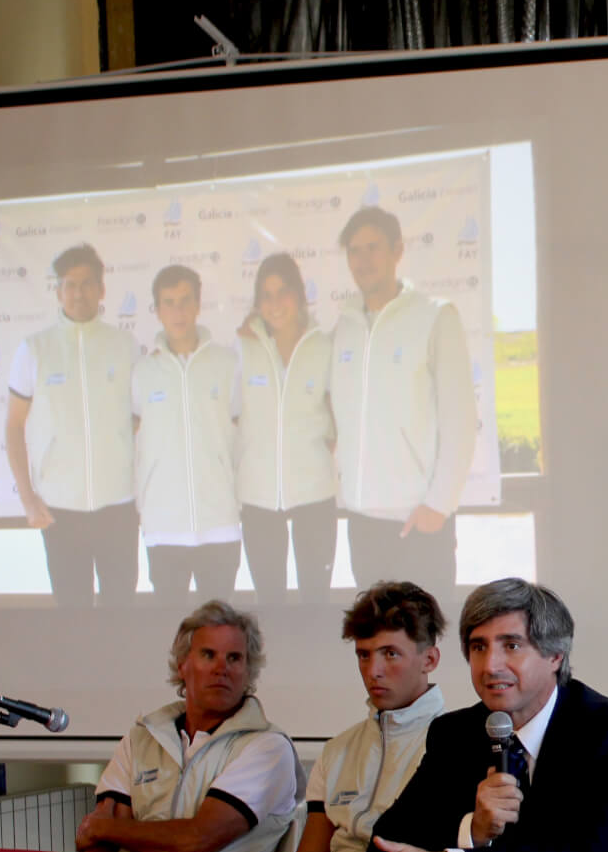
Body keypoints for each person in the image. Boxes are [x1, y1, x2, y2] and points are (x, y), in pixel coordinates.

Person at [364, 578, 608, 852]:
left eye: (511, 646)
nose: (490, 666)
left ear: (555, 656)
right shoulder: (455, 733)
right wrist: (474, 830)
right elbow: (384, 847)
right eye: (479, 647)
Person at [79, 599, 303, 852]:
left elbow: (197, 842)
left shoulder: (268, 747)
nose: (221, 668)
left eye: (234, 658)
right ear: (182, 665)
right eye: (208, 655)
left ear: (248, 672)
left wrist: (108, 828)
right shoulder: (142, 737)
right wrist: (105, 834)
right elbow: (97, 843)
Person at [328, 206, 478, 601]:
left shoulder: (435, 316)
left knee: (425, 633)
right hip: (362, 521)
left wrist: (438, 505)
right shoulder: (344, 326)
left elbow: (461, 420)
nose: (363, 260)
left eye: (373, 247)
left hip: (419, 522)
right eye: (355, 250)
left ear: (397, 250)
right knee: (376, 634)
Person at [4, 242, 140, 606]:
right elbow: (14, 425)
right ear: (58, 291)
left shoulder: (125, 346)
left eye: (87, 283)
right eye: (70, 285)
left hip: (118, 507)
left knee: (121, 615)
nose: (79, 293)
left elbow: (140, 416)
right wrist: (28, 498)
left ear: (102, 289)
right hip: (59, 510)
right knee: (72, 617)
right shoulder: (34, 349)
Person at [286, 582, 446, 852]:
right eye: (364, 655)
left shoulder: (457, 744)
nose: (373, 671)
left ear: (430, 660)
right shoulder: (337, 751)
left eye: (390, 654)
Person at [132, 265, 242, 598]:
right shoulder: (141, 372)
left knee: (219, 626)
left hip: (219, 524)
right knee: (170, 627)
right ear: (157, 310)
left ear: (197, 305)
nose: (178, 311)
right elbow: (133, 439)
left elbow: (243, 435)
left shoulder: (227, 364)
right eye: (169, 302)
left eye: (185, 301)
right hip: (164, 528)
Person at [236, 253, 337, 606]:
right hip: (259, 497)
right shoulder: (242, 348)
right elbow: (230, 416)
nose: (275, 303)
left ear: (299, 294)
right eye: (266, 295)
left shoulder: (324, 346)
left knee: (315, 601)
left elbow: (338, 411)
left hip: (315, 494)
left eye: (283, 292)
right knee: (270, 605)